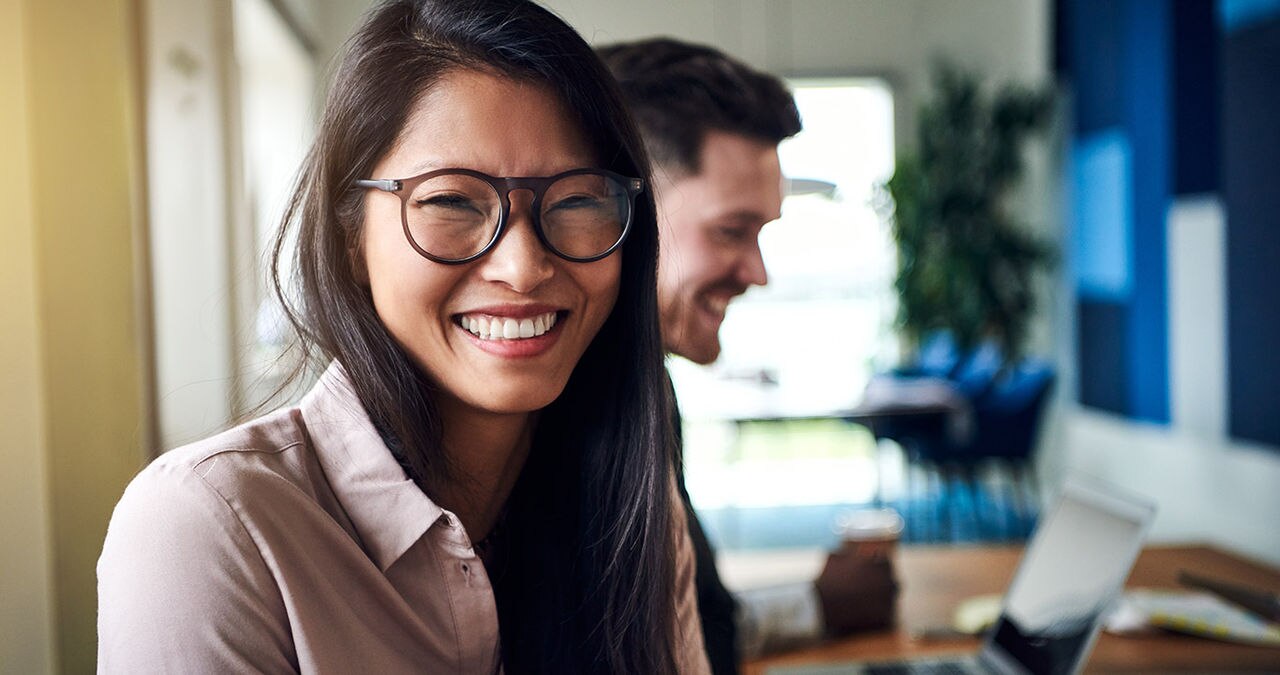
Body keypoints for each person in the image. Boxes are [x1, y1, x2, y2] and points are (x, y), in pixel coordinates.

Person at [97, 2, 709, 672]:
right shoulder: (208, 525)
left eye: (577, 200)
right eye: (451, 201)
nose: (524, 266)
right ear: (351, 236)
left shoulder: (632, 512)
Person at [598, 38, 900, 673]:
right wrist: (816, 607)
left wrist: (816, 607)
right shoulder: (564, 414)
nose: (758, 273)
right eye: (731, 231)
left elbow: (685, 626)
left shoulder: (642, 384)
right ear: (610, 212)